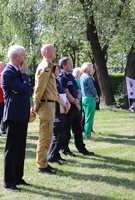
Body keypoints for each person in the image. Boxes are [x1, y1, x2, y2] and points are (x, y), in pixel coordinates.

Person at [1, 45, 33, 192]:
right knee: (12, 149)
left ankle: (18, 178)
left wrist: (23, 84)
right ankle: (9, 182)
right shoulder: (8, 72)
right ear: (16, 57)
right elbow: (24, 88)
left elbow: (28, 90)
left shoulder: (17, 72)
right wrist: (24, 75)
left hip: (21, 114)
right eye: (23, 55)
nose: (25, 58)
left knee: (20, 149)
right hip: (13, 115)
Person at [58, 57, 94, 156]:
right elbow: (65, 92)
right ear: (64, 66)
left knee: (78, 128)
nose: (72, 66)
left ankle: (81, 148)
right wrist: (75, 102)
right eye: (69, 64)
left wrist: (77, 99)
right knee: (66, 130)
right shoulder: (62, 77)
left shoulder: (71, 76)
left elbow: (78, 89)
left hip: (75, 105)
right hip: (67, 106)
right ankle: (65, 149)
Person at [33, 44, 59, 175]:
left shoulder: (49, 66)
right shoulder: (45, 67)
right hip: (46, 105)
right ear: (47, 52)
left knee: (48, 136)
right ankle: (41, 165)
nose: (56, 52)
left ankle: (44, 163)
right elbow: (39, 88)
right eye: (53, 50)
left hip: (50, 104)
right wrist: (35, 106)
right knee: (45, 136)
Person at [47, 64, 70, 165]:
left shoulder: (57, 81)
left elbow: (62, 94)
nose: (59, 70)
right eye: (57, 69)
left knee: (62, 132)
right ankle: (51, 156)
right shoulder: (52, 82)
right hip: (56, 109)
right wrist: (65, 104)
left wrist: (67, 103)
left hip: (62, 108)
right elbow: (56, 96)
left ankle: (56, 154)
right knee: (57, 133)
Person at [80, 62, 99, 141]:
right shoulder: (88, 77)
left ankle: (86, 133)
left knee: (87, 117)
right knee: (89, 118)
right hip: (90, 98)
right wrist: (96, 95)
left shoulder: (82, 76)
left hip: (84, 97)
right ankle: (88, 135)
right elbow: (92, 89)